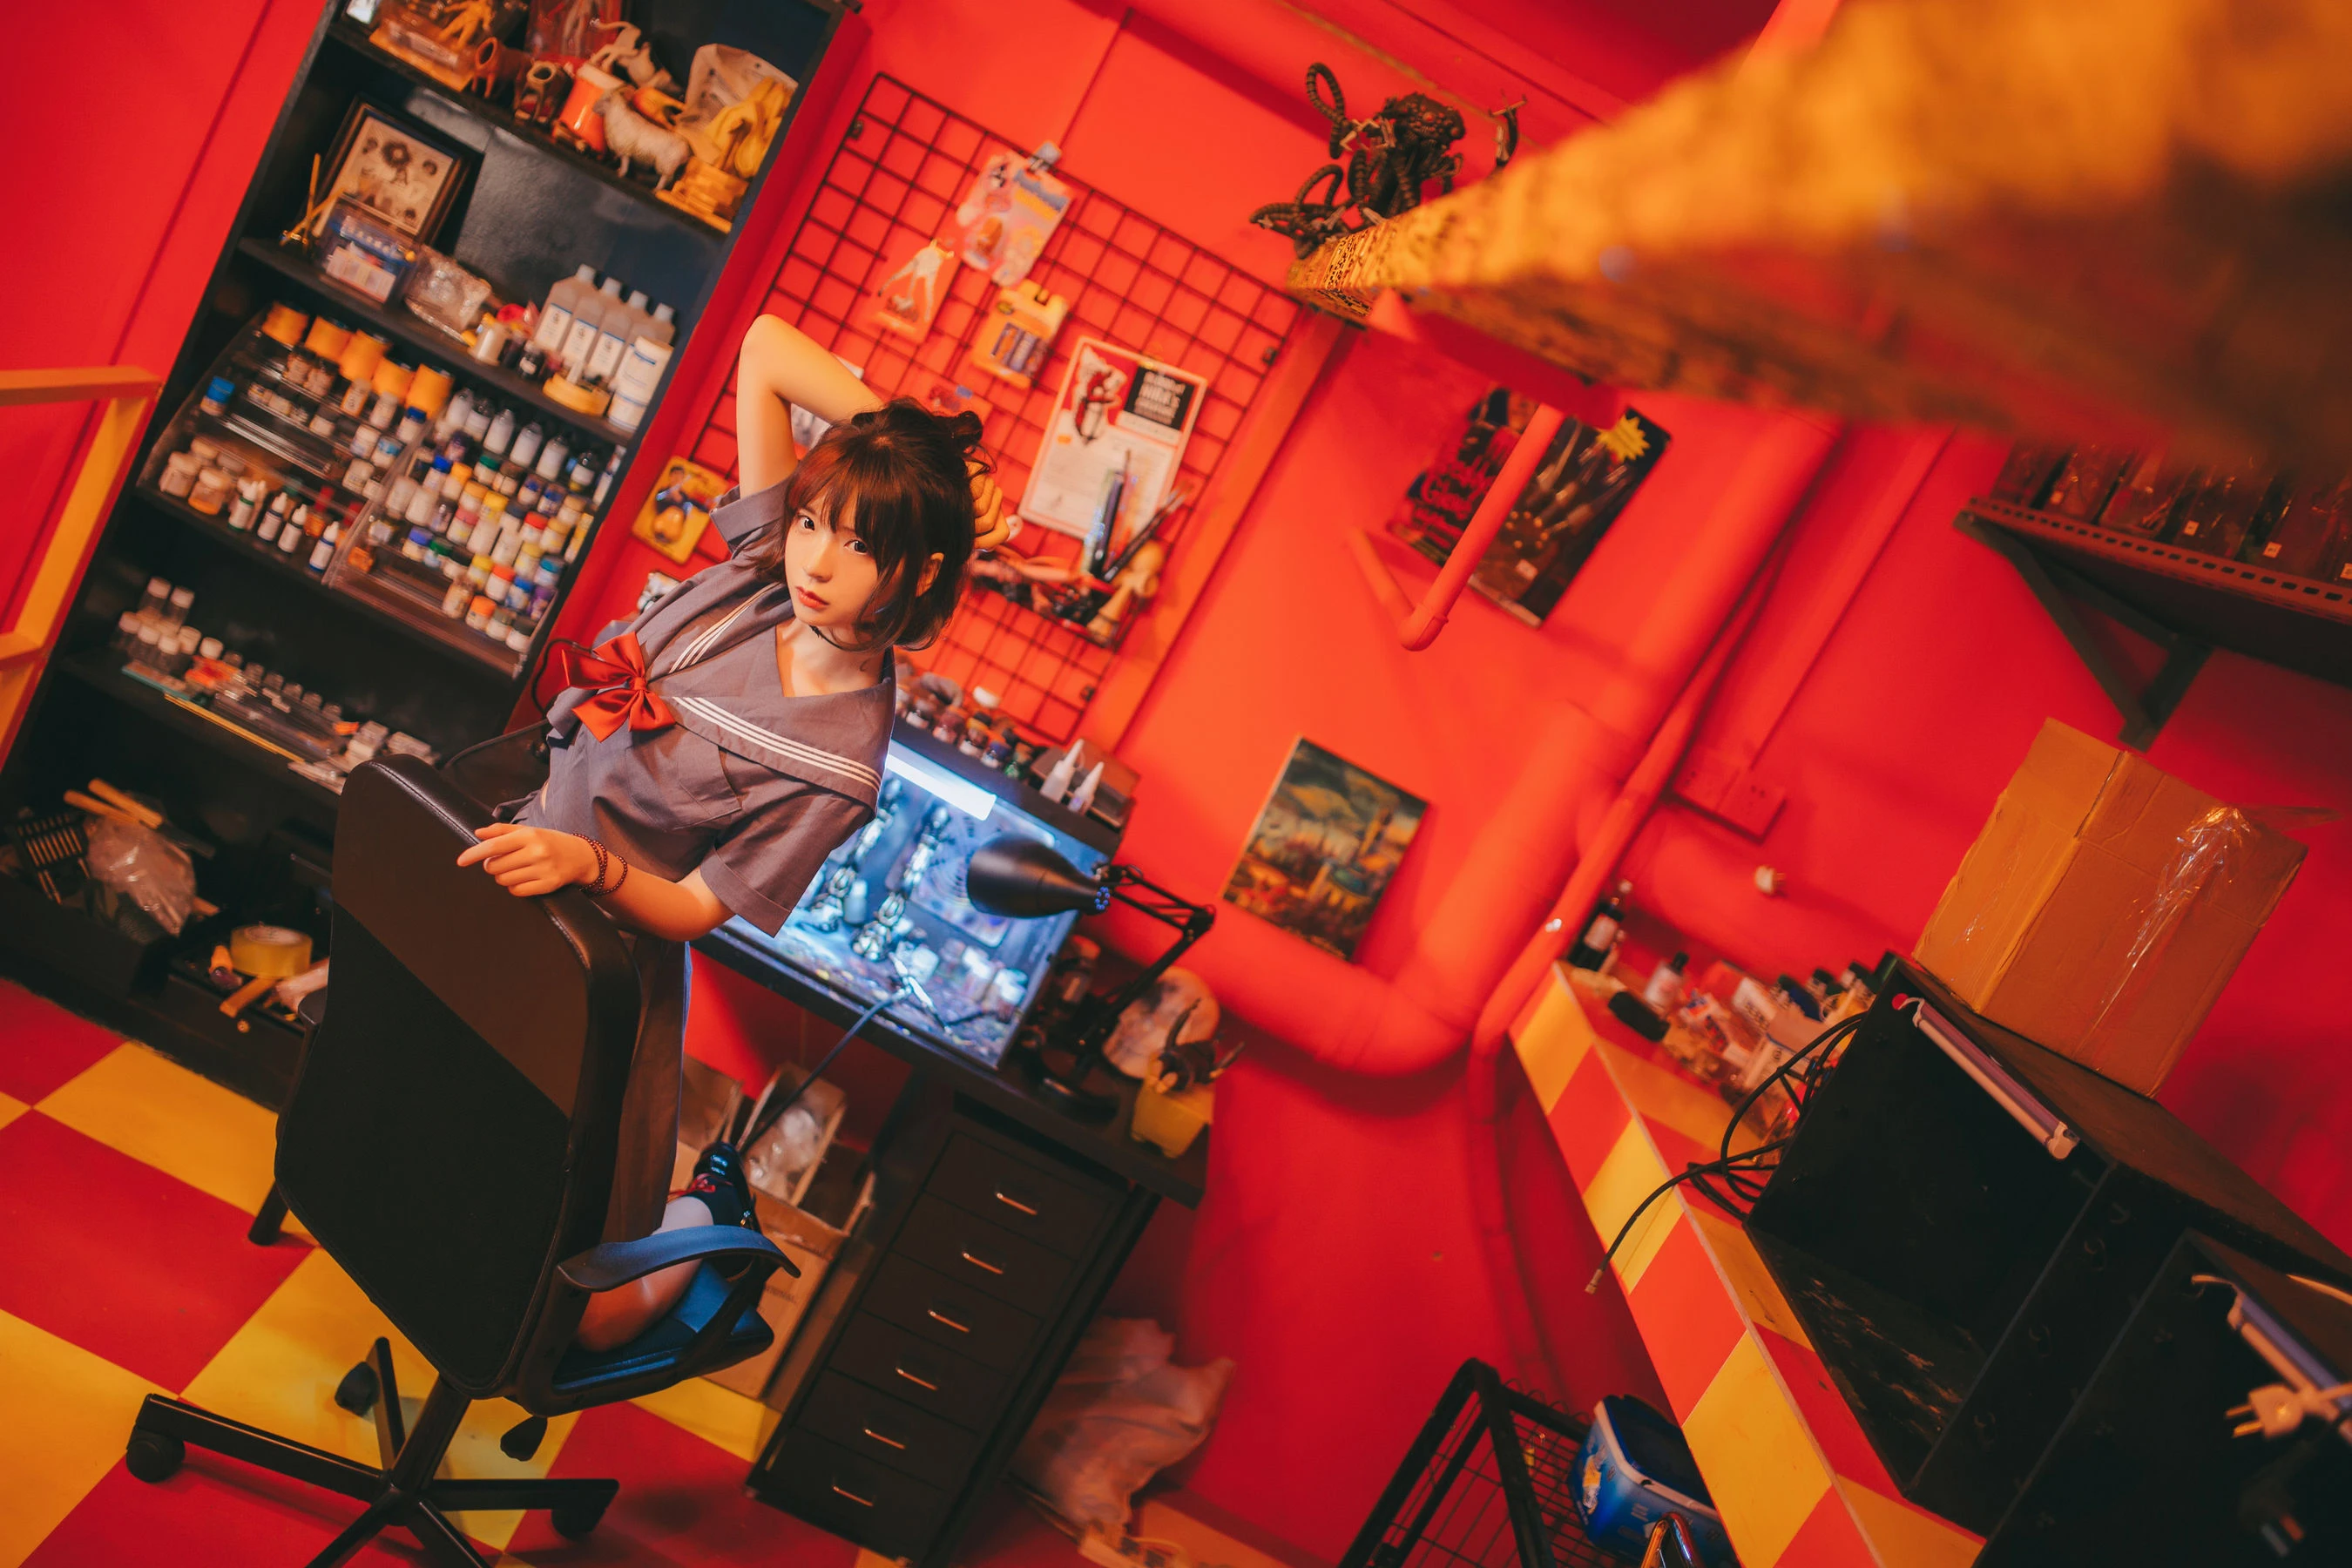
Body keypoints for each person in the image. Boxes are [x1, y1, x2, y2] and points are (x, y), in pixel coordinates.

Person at [455, 314, 1008, 1349]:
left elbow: (691, 910)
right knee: (435, 1157)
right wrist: (916, 454)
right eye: (814, 522)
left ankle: (704, 1215)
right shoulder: (764, 576)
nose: (818, 561)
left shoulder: (839, 763)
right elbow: (765, 349)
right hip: (511, 876)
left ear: (921, 570)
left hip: (601, 971)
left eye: (860, 544)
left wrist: (589, 863)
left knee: (574, 1321)